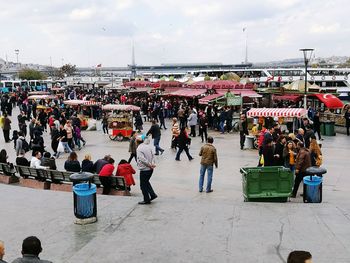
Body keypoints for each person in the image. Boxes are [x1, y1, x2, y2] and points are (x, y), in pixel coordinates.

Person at [137, 137, 157, 204]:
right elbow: (153, 155)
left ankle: (146, 199)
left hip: (144, 169)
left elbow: (142, 159)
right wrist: (153, 164)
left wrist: (149, 165)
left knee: (143, 185)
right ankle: (152, 195)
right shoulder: (148, 147)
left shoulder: (139, 149)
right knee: (146, 182)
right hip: (150, 169)